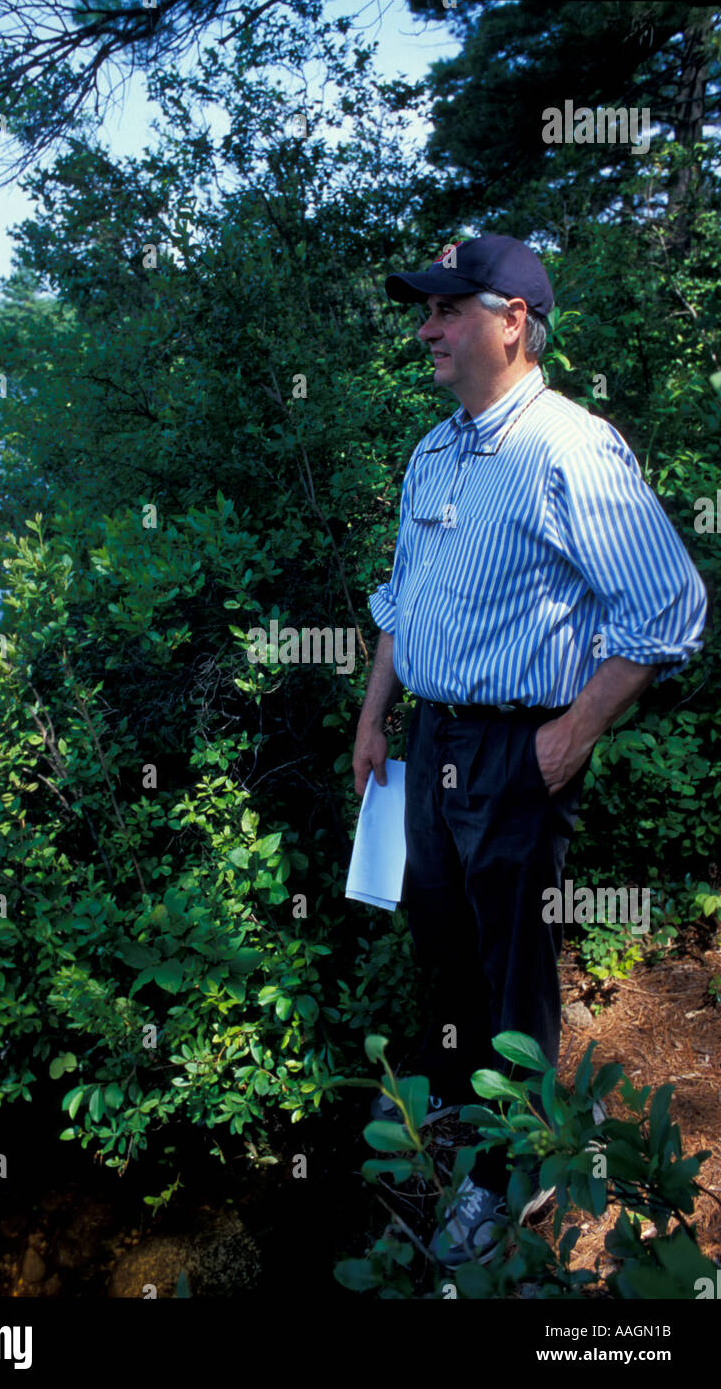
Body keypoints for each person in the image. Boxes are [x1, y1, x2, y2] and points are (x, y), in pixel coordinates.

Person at [351, 234, 708, 1267]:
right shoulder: (436, 448)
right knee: (446, 950)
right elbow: (400, 600)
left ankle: (520, 1185)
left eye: (448, 310)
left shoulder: (570, 447)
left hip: (517, 750)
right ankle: (463, 1128)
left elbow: (670, 606)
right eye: (426, 311)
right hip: (432, 740)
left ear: (513, 318)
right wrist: (377, 716)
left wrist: (573, 731)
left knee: (514, 978)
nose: (427, 328)